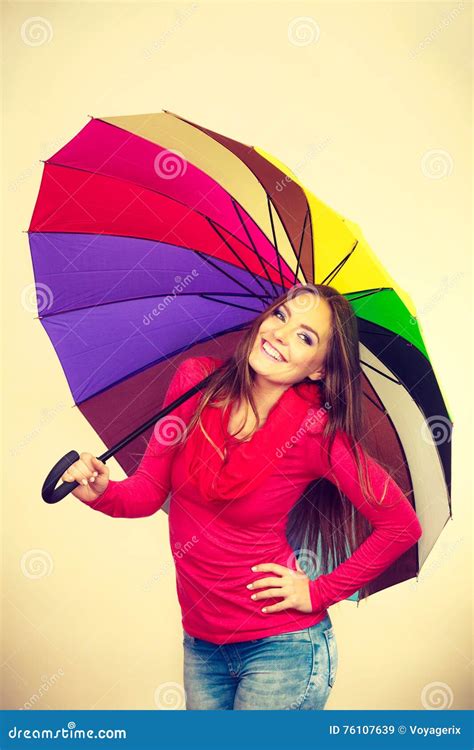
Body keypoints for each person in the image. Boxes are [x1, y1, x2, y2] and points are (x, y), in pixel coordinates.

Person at [63, 283, 423, 710]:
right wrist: (103, 490)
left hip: (283, 650)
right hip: (202, 646)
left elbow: (402, 525)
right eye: (281, 316)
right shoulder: (195, 383)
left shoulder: (315, 432)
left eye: (305, 337)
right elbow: (148, 493)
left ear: (319, 370)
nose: (281, 334)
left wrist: (318, 592)